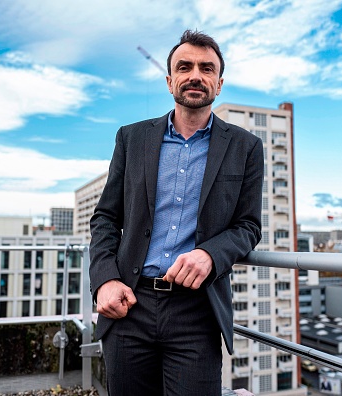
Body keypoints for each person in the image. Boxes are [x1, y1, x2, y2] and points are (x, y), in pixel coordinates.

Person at [89, 29, 264, 396]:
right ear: (170, 81)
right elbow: (106, 218)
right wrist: (105, 279)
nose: (195, 75)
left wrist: (210, 255)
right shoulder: (131, 138)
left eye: (206, 68)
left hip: (196, 312)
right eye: (184, 67)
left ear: (219, 82)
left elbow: (248, 226)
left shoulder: (247, 147)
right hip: (129, 304)